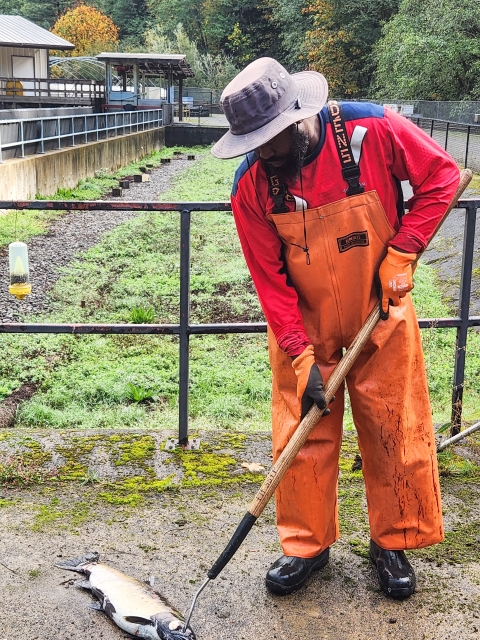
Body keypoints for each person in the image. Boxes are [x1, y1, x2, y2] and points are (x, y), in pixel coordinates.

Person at [211, 57, 460, 599]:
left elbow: (443, 176)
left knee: (393, 426)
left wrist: (404, 251)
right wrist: (301, 357)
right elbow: (269, 281)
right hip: (305, 323)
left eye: (273, 138)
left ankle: (391, 542)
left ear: (298, 116)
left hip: (380, 310)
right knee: (302, 436)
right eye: (255, 142)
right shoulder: (252, 184)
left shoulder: (372, 130)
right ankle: (307, 546)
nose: (266, 152)